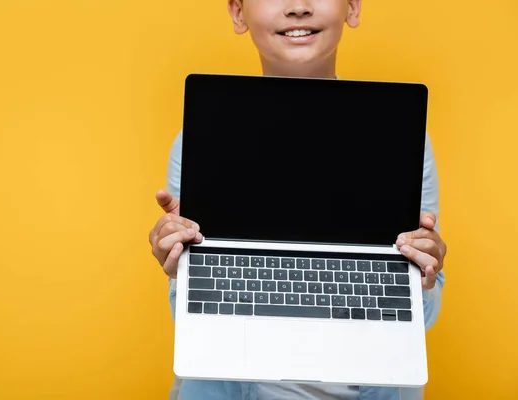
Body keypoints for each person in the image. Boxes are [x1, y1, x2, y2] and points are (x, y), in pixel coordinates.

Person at [148, 1, 448, 399]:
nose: (297, 7)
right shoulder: (197, 141)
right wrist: (180, 269)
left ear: (352, 7)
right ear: (239, 13)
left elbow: (421, 319)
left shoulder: (405, 141)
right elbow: (189, 320)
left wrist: (422, 279)